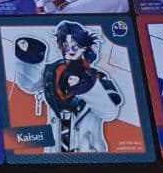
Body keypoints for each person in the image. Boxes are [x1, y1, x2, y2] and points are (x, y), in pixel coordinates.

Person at [13, 22, 123, 153]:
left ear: (84, 47)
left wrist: (85, 84)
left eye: (75, 46)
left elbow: (110, 113)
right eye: (66, 46)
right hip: (55, 152)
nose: (70, 50)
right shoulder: (53, 71)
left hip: (87, 151)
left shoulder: (96, 77)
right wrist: (31, 52)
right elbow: (30, 84)